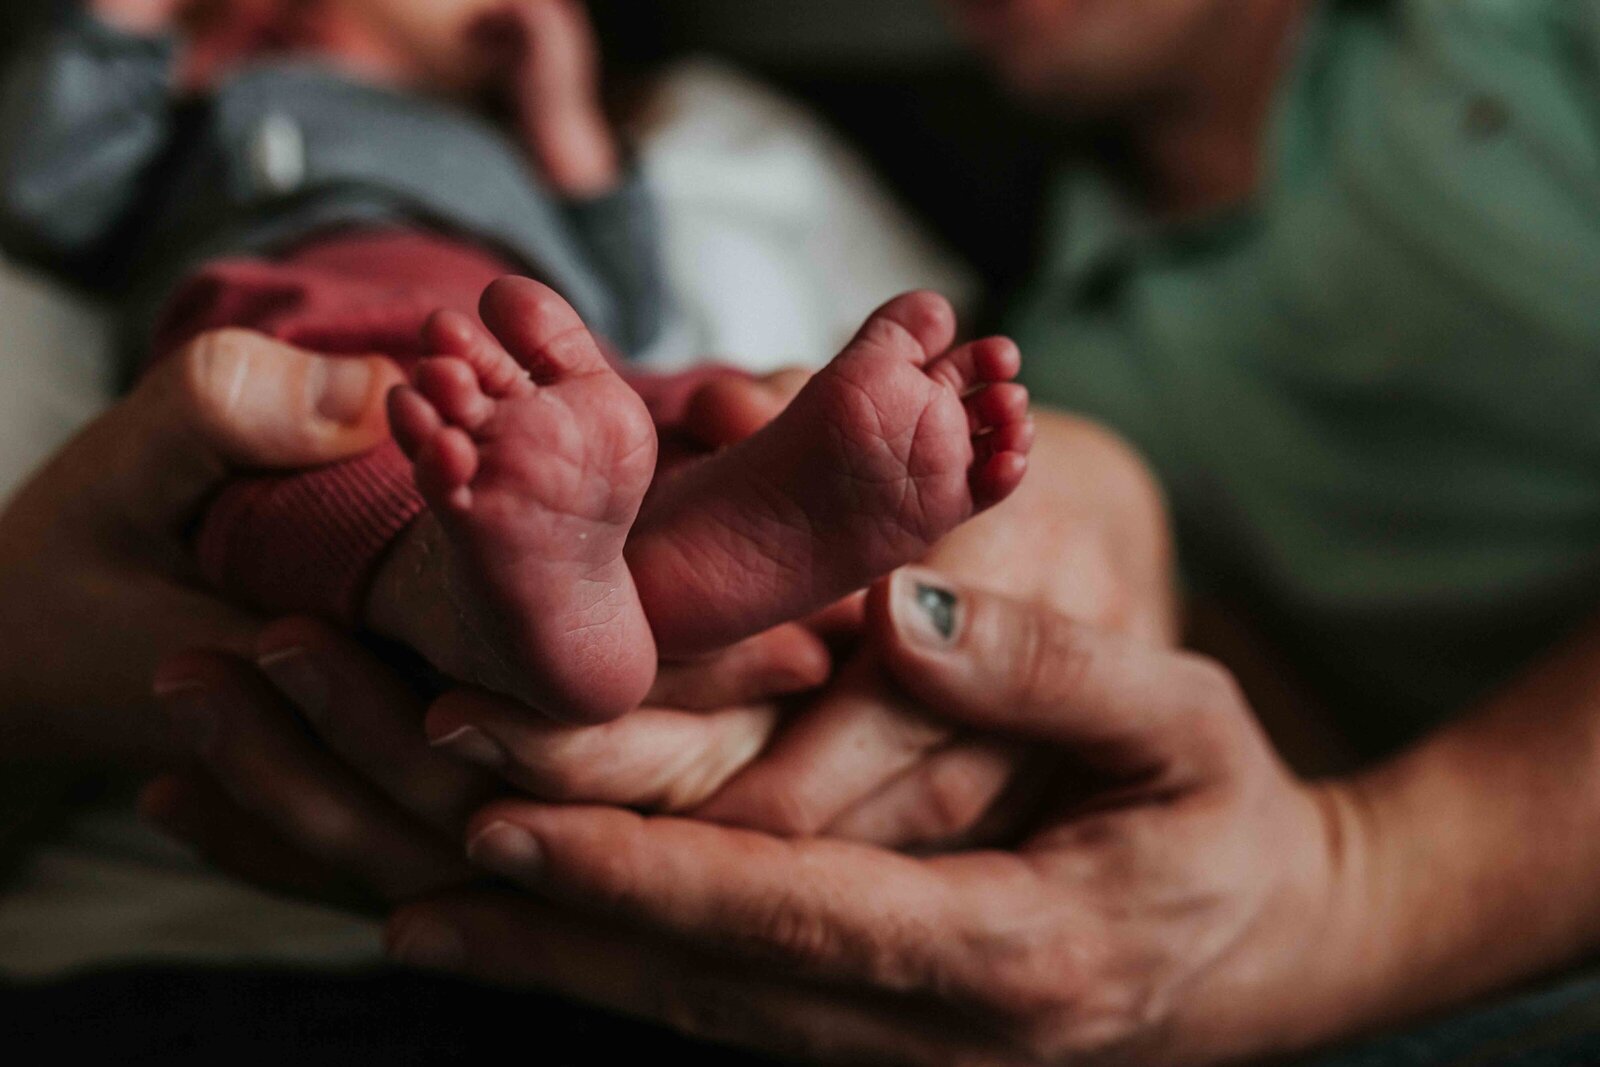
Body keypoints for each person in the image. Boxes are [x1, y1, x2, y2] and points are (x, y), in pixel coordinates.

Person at [144, 0, 1600, 1063]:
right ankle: (658, 581)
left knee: (479, 444)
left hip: (495, 386)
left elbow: (615, 254)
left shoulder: (1526, 33)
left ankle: (616, 566)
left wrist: (1368, 880)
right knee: (416, 446)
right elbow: (1245, 729)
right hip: (406, 352)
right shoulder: (1068, 325)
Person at [0, 0, 1033, 725]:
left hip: (548, 358)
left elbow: (631, 297)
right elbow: (44, 187)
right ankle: (474, 590)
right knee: (297, 474)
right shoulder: (208, 113)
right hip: (310, 292)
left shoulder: (493, 143)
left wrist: (562, 111)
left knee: (672, 407)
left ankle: (688, 545)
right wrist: (142, 26)